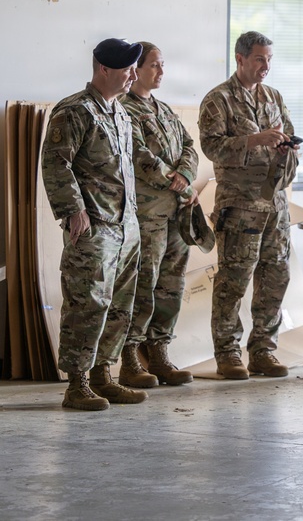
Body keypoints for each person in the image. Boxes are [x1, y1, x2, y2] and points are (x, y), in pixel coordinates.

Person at [41, 38, 149, 410]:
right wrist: (74, 210)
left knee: (119, 305)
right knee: (87, 303)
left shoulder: (120, 112)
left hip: (126, 226)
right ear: (104, 69)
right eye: (127, 69)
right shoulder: (75, 111)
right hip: (94, 227)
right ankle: (78, 384)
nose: (133, 76)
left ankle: (104, 376)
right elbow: (56, 163)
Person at [198, 30, 299, 380]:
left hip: (275, 205)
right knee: (234, 281)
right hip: (240, 206)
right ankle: (227, 353)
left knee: (275, 277)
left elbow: (289, 134)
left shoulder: (273, 97)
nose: (265, 66)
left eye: (269, 59)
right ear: (240, 59)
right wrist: (255, 140)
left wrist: (286, 147)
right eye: (259, 59)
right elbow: (212, 147)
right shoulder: (218, 100)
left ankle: (263, 350)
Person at [118, 42, 199, 388]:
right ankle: (130, 358)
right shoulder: (124, 109)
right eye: (154, 65)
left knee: (171, 285)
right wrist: (178, 182)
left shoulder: (164, 110)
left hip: (176, 213)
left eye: (162, 65)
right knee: (142, 284)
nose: (161, 72)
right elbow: (140, 157)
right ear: (135, 69)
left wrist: (187, 175)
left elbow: (190, 147)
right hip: (147, 213)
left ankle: (160, 354)